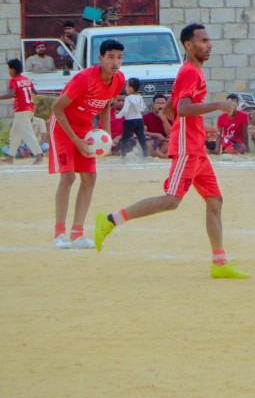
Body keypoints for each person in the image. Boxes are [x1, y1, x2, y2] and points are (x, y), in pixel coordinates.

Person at [93, 23, 250, 279]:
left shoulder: (190, 71)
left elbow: (170, 109)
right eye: (203, 41)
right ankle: (110, 220)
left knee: (215, 200)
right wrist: (218, 106)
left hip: (196, 146)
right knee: (171, 200)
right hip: (188, 147)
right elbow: (184, 109)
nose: (209, 45)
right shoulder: (190, 72)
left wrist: (191, 127)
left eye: (208, 40)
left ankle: (219, 263)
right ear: (188, 45)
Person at [48, 39, 125, 249]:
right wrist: (76, 140)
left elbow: (106, 105)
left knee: (90, 177)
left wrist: (106, 134)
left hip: (85, 128)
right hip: (63, 126)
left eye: (119, 57)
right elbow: (57, 108)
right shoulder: (84, 79)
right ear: (100, 58)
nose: (115, 62)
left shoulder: (119, 79)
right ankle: (59, 234)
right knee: (68, 177)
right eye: (110, 57)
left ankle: (77, 233)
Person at [1, 58, 44, 164]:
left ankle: (39, 155)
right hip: (29, 109)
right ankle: (10, 157)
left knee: (28, 133)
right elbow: (35, 92)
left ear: (13, 69)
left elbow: (11, 94)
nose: (9, 71)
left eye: (9, 69)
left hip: (21, 110)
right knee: (15, 134)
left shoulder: (14, 80)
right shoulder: (26, 79)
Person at [116, 78, 148, 159]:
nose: (125, 88)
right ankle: (145, 155)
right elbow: (142, 108)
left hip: (130, 121)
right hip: (139, 120)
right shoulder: (139, 97)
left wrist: (118, 116)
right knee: (141, 138)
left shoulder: (128, 98)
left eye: (126, 86)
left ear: (131, 88)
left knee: (125, 138)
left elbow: (125, 110)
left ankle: (123, 155)